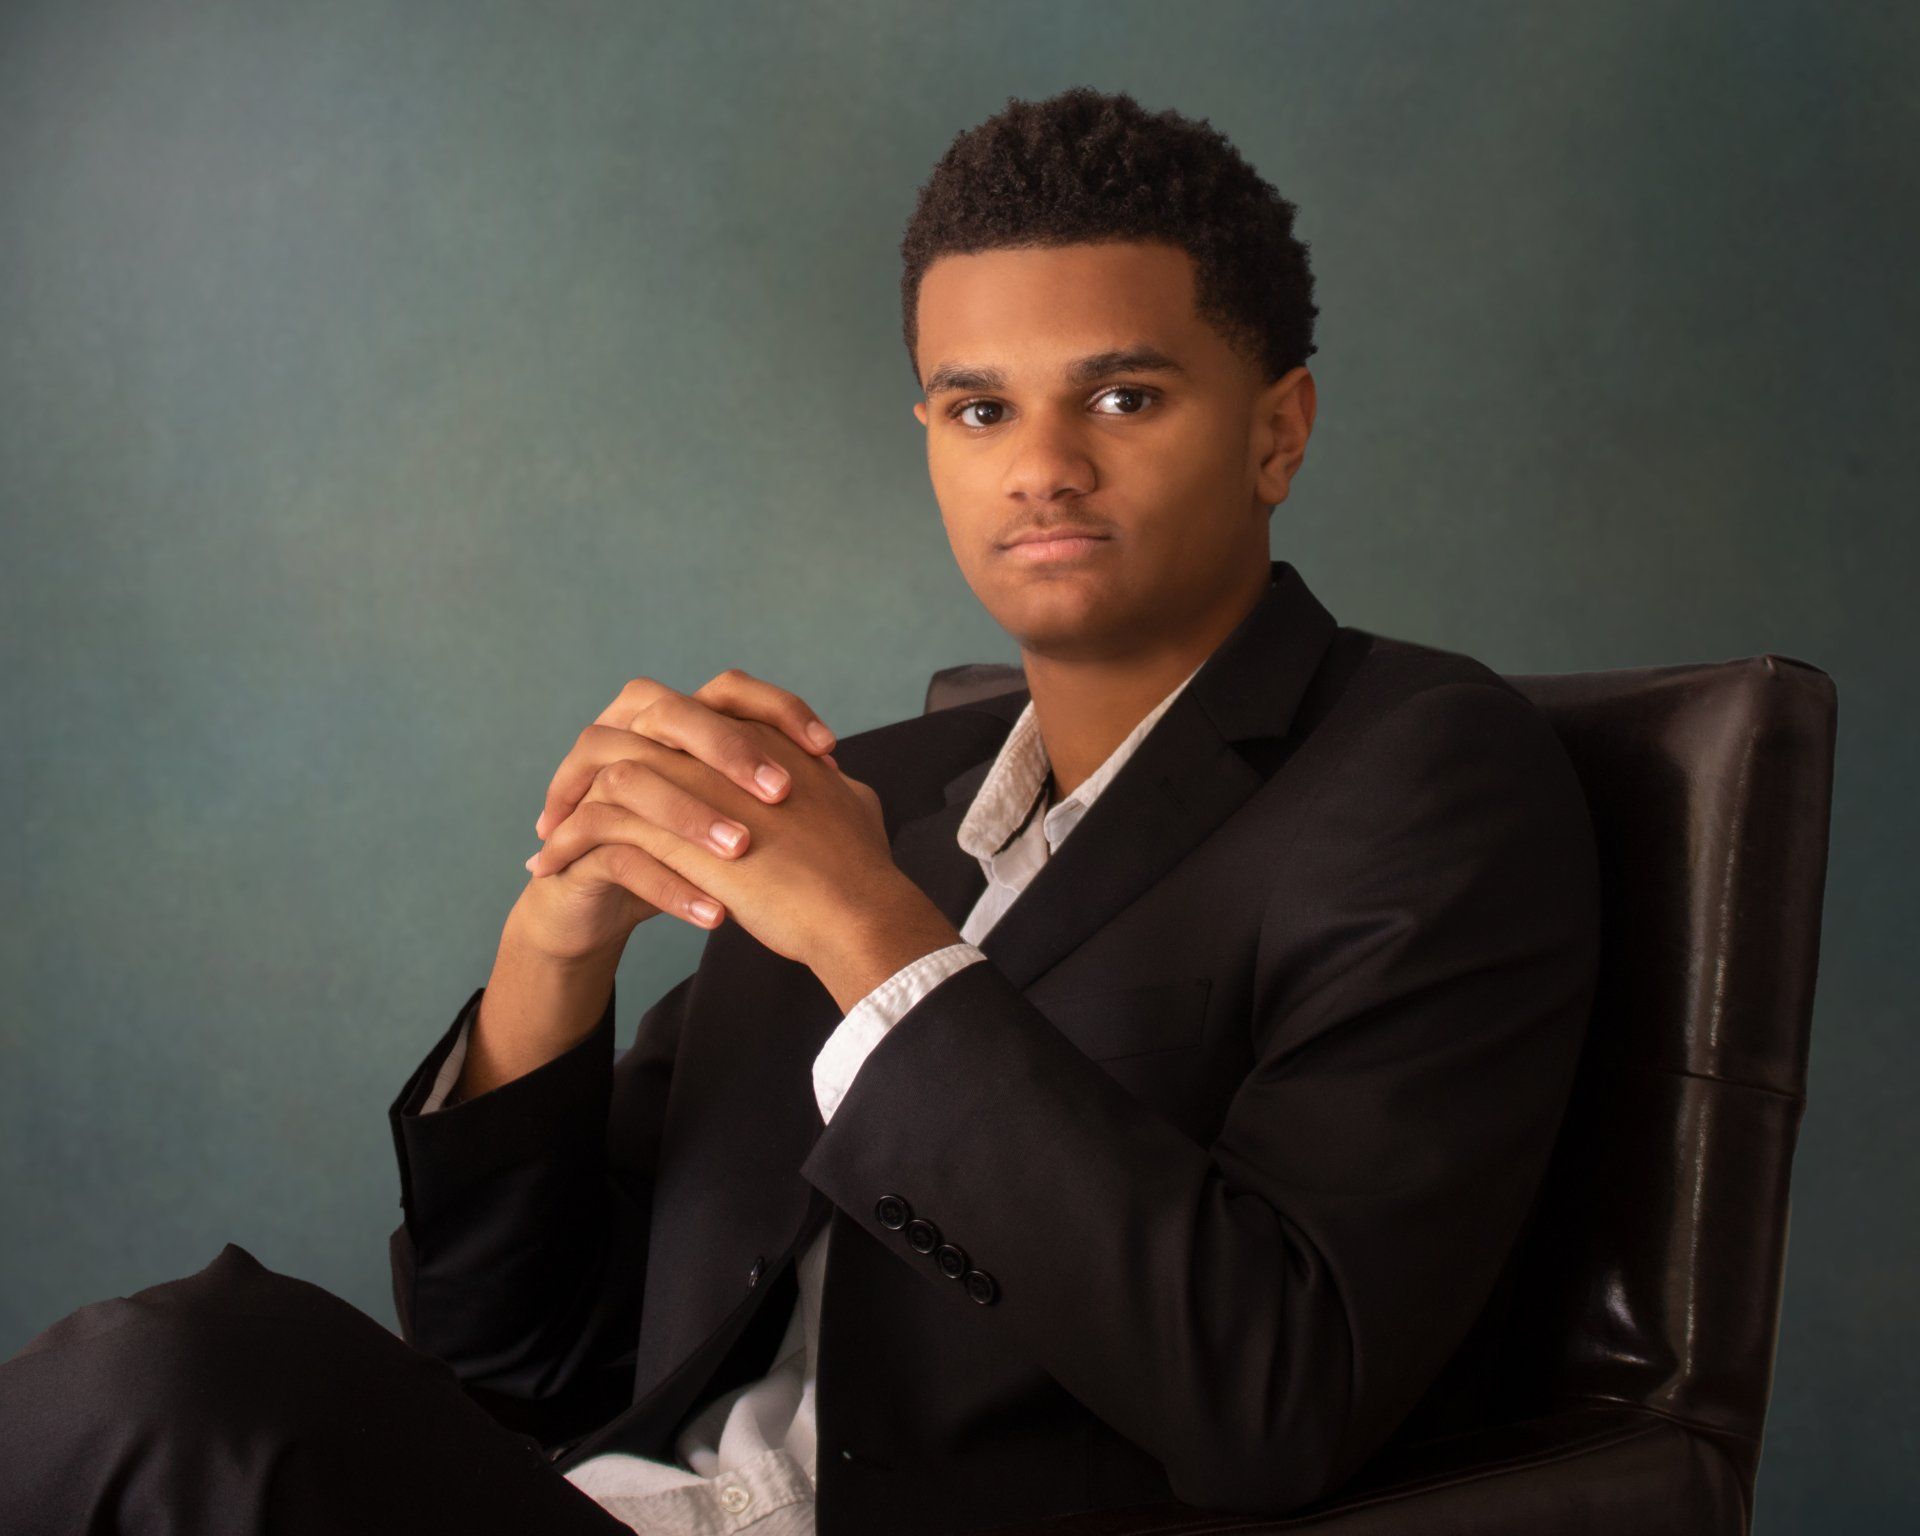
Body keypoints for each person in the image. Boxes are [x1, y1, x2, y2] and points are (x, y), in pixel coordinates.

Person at [0, 87, 1601, 1535]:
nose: (1038, 467)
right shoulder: (868, 794)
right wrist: (554, 951)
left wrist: (869, 935)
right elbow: (518, 1367)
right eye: (977, 409)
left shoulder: (1424, 776)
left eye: (1120, 400)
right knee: (181, 1392)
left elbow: (1276, 1399)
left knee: (179, 1376)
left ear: (1277, 430)